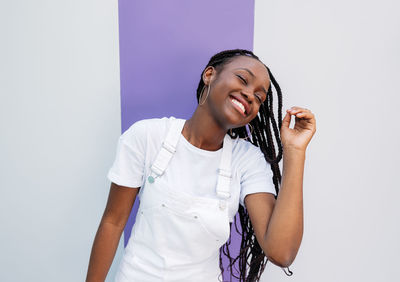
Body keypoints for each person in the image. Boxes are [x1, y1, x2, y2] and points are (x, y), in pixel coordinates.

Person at [85, 49, 317, 282]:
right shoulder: (147, 137)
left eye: (258, 97)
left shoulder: (247, 161)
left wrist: (295, 152)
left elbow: (281, 252)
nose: (249, 95)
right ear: (209, 75)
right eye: (243, 79)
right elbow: (113, 222)